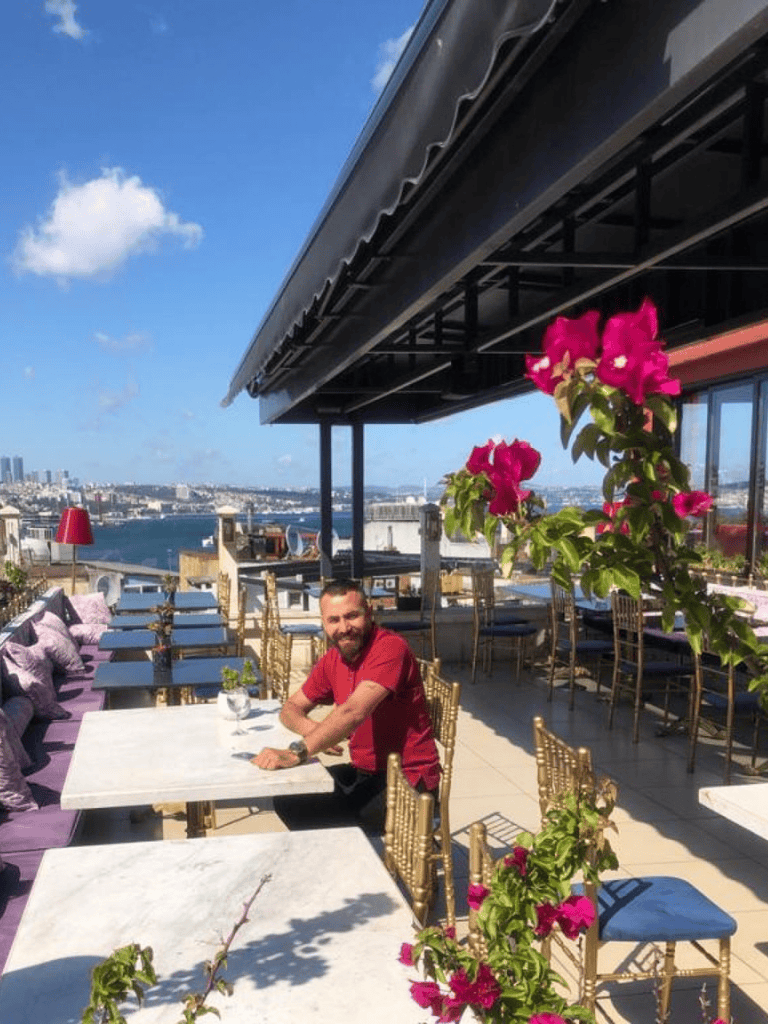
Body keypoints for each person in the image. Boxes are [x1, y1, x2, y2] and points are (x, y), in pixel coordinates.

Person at [253, 577, 441, 834]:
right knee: (289, 797)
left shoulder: (390, 648)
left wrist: (297, 752)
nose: (344, 627)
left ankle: (351, 864)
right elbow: (291, 708)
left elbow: (353, 712)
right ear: (324, 623)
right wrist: (314, 731)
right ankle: (343, 861)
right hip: (365, 773)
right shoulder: (334, 658)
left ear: (369, 613)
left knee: (320, 815)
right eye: (334, 620)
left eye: (351, 616)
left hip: (408, 782)